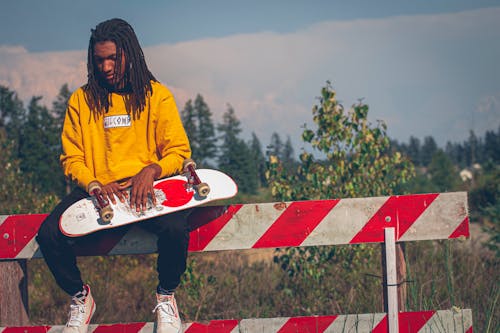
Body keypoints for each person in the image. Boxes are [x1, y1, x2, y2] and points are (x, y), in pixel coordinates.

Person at [36, 18, 191, 333]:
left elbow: (179, 151)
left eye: (113, 58)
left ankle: (166, 298)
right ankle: (81, 299)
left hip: (144, 191)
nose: (106, 67)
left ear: (130, 54)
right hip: (97, 192)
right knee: (49, 234)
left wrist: (152, 170)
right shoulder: (82, 100)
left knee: (176, 227)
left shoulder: (156, 96)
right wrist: (93, 183)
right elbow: (72, 158)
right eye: (99, 60)